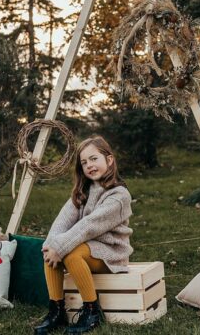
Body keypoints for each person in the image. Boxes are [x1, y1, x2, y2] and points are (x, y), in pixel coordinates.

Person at [34, 136, 133, 335]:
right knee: (52, 247)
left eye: (94, 159)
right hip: (85, 245)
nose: (89, 165)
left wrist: (60, 247)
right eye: (84, 162)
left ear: (109, 160)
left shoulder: (119, 195)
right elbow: (62, 221)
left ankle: (92, 311)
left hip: (110, 254)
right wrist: (51, 245)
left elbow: (90, 225)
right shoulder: (83, 190)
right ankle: (57, 310)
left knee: (70, 253)